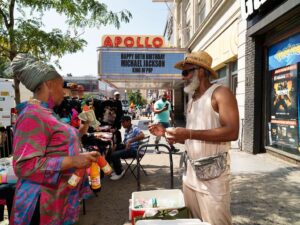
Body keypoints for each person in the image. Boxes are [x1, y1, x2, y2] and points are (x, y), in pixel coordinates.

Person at [149, 51, 239, 225]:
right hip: (190, 177)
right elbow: (192, 138)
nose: (183, 77)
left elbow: (232, 132)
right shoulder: (192, 100)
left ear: (201, 71)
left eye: (186, 72)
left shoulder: (220, 93)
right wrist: (167, 133)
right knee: (194, 222)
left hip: (214, 179)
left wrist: (188, 133)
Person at [10, 53, 100, 225]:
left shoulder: (47, 113)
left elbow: (59, 145)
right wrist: (73, 161)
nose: (64, 92)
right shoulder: (32, 115)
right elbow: (24, 166)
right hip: (40, 206)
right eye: (61, 86)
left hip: (57, 202)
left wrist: (83, 129)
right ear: (49, 84)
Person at [109, 115, 145, 181]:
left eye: (123, 122)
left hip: (135, 150)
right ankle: (119, 169)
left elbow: (142, 135)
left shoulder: (135, 128)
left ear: (129, 121)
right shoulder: (127, 130)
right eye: (121, 122)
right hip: (129, 148)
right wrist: (117, 145)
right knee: (111, 150)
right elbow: (125, 142)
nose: (122, 124)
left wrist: (130, 141)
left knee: (114, 155)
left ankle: (119, 173)